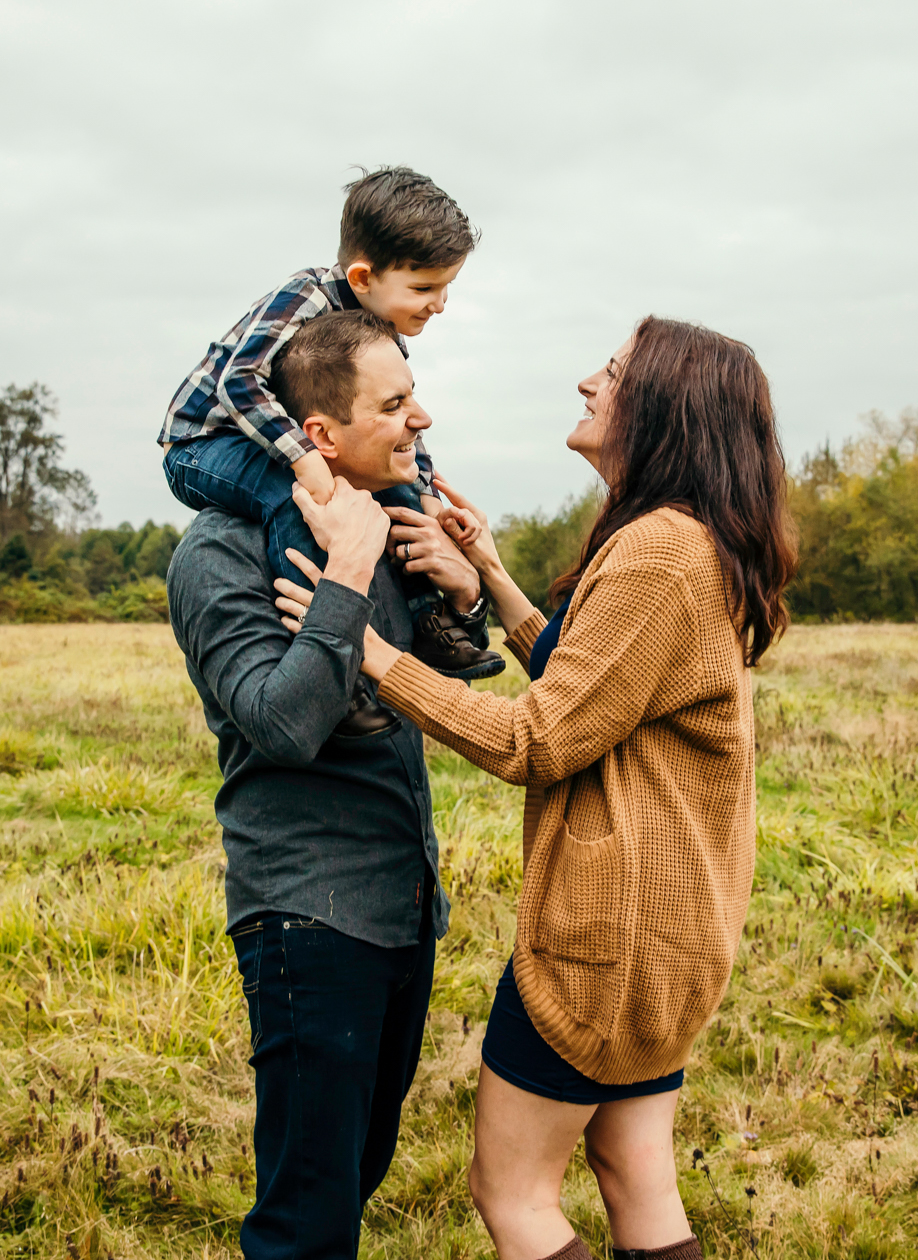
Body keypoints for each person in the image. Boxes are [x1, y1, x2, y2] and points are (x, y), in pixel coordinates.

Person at [276, 316, 798, 1260]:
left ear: (664, 408)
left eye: (611, 372)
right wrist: (494, 581)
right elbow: (602, 684)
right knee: (634, 1166)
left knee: (513, 1192)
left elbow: (543, 736)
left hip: (608, 937)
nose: (588, 383)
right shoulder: (689, 543)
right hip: (676, 933)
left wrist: (369, 649)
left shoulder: (656, 554)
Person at [164, 309, 494, 1260]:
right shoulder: (219, 551)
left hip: (401, 904)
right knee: (307, 1218)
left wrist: (463, 590)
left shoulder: (392, 520)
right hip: (308, 915)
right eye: (394, 404)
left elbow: (447, 676)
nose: (420, 418)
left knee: (355, 1175)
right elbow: (282, 724)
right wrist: (345, 580)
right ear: (320, 435)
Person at [159, 165, 503, 725]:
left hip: (283, 441)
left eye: (447, 288)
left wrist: (430, 501)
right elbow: (239, 381)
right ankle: (330, 666)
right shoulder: (307, 296)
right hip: (207, 440)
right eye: (424, 288)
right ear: (363, 277)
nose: (440, 304)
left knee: (402, 499)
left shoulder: (378, 328)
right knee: (293, 498)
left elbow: (405, 421)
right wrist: (303, 458)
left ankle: (431, 625)